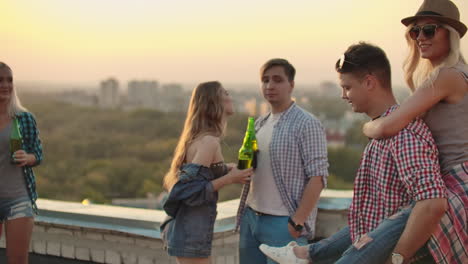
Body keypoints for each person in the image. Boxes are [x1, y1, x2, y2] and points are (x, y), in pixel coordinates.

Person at [259, 43, 448, 264]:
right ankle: (305, 254)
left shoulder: (403, 134)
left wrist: (398, 258)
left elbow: (432, 204)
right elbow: (374, 215)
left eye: (347, 87)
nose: (343, 96)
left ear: (369, 82)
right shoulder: (383, 130)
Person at [362, 0, 468, 262]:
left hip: (454, 184)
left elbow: (387, 126)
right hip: (452, 184)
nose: (420, 37)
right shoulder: (456, 75)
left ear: (450, 34)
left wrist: (367, 125)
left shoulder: (447, 76)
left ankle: (307, 253)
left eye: (429, 30)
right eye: (415, 31)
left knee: (374, 239)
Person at [236, 58, 329, 264]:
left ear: (291, 85)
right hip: (251, 218)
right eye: (265, 80)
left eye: (277, 80)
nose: (270, 86)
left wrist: (297, 221)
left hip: (284, 223)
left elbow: (318, 176)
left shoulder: (307, 123)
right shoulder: (259, 123)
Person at [160, 81, 253, 264]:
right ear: (213, 102)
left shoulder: (202, 138)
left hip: (191, 230)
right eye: (225, 93)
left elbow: (200, 174)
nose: (230, 96)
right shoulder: (209, 141)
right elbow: (187, 191)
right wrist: (229, 178)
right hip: (190, 232)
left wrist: (226, 168)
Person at [0, 62, 43, 264]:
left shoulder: (24, 118)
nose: (5, 85)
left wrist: (28, 158)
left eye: (9, 80)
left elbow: (38, 154)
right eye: (0, 80)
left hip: (18, 198)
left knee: (17, 260)